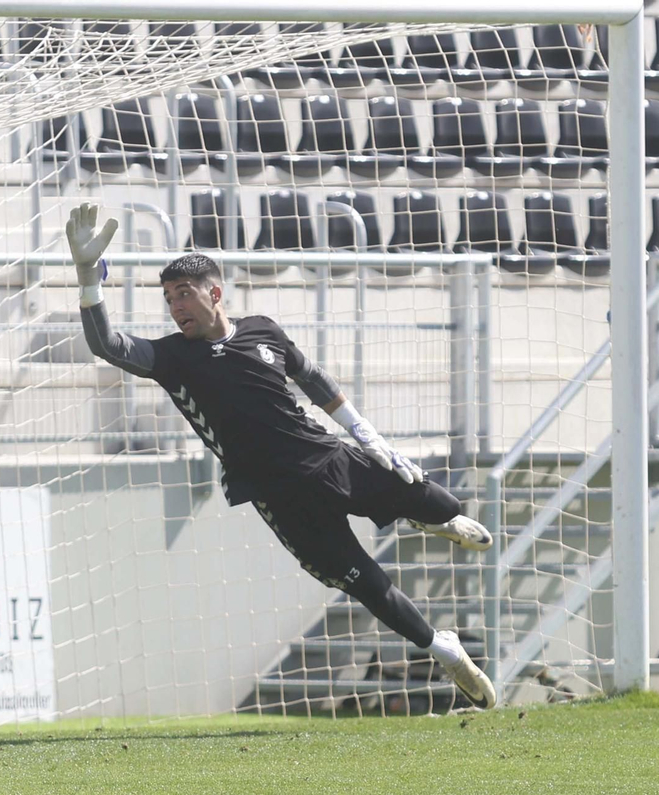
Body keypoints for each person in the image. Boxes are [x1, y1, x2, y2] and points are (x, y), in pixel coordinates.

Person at [66, 203, 497, 709]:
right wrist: (86, 280)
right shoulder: (171, 358)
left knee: (447, 507)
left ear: (215, 293)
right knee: (371, 588)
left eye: (184, 294)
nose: (175, 306)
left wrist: (365, 433)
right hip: (281, 499)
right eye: (168, 299)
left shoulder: (261, 330)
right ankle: (443, 650)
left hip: (333, 458)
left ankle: (428, 519)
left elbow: (311, 378)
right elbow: (106, 344)